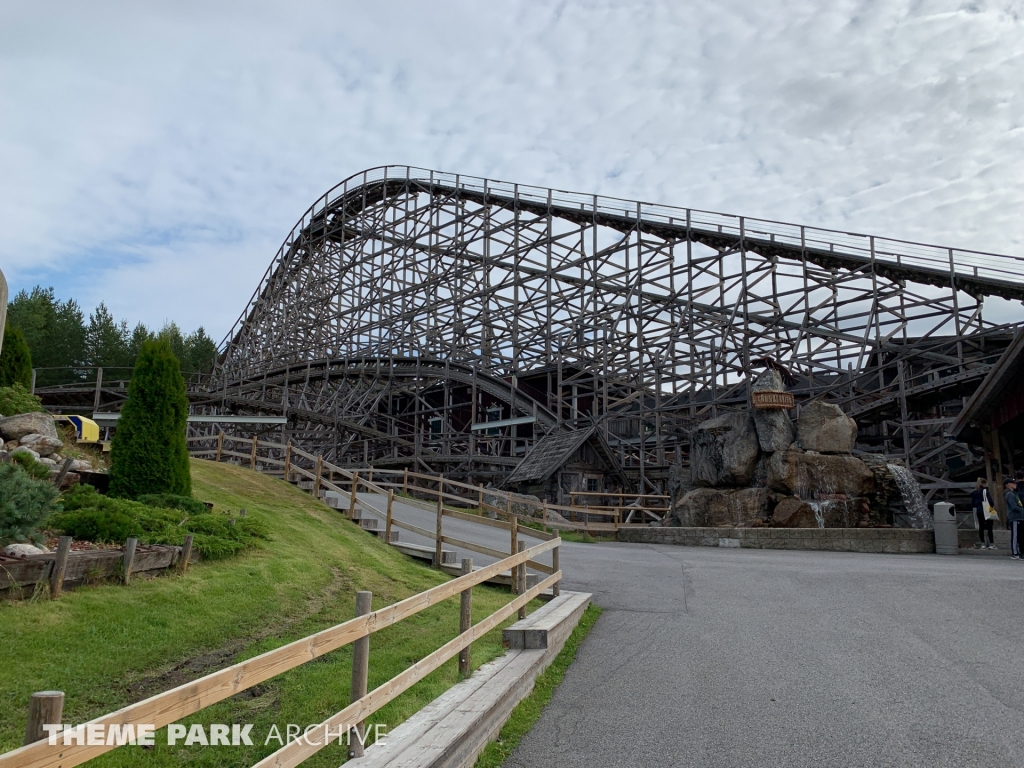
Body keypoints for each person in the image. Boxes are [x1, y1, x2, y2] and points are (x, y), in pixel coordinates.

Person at [971, 478, 996, 549]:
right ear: (983, 484)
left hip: (979, 510)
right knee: (989, 527)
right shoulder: (985, 491)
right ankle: (991, 544)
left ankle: (983, 544)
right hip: (986, 510)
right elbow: (990, 501)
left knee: (981, 527)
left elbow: (973, 503)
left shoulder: (974, 492)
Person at [1006, 479, 1024, 560]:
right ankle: (1014, 553)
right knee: (1015, 535)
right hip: (1014, 517)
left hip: (1019, 516)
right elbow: (1013, 506)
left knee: (1019, 535)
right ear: (1008, 484)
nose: (1015, 484)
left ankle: (1019, 551)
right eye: (1013, 483)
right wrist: (1022, 510)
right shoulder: (1009, 494)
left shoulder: (1014, 493)